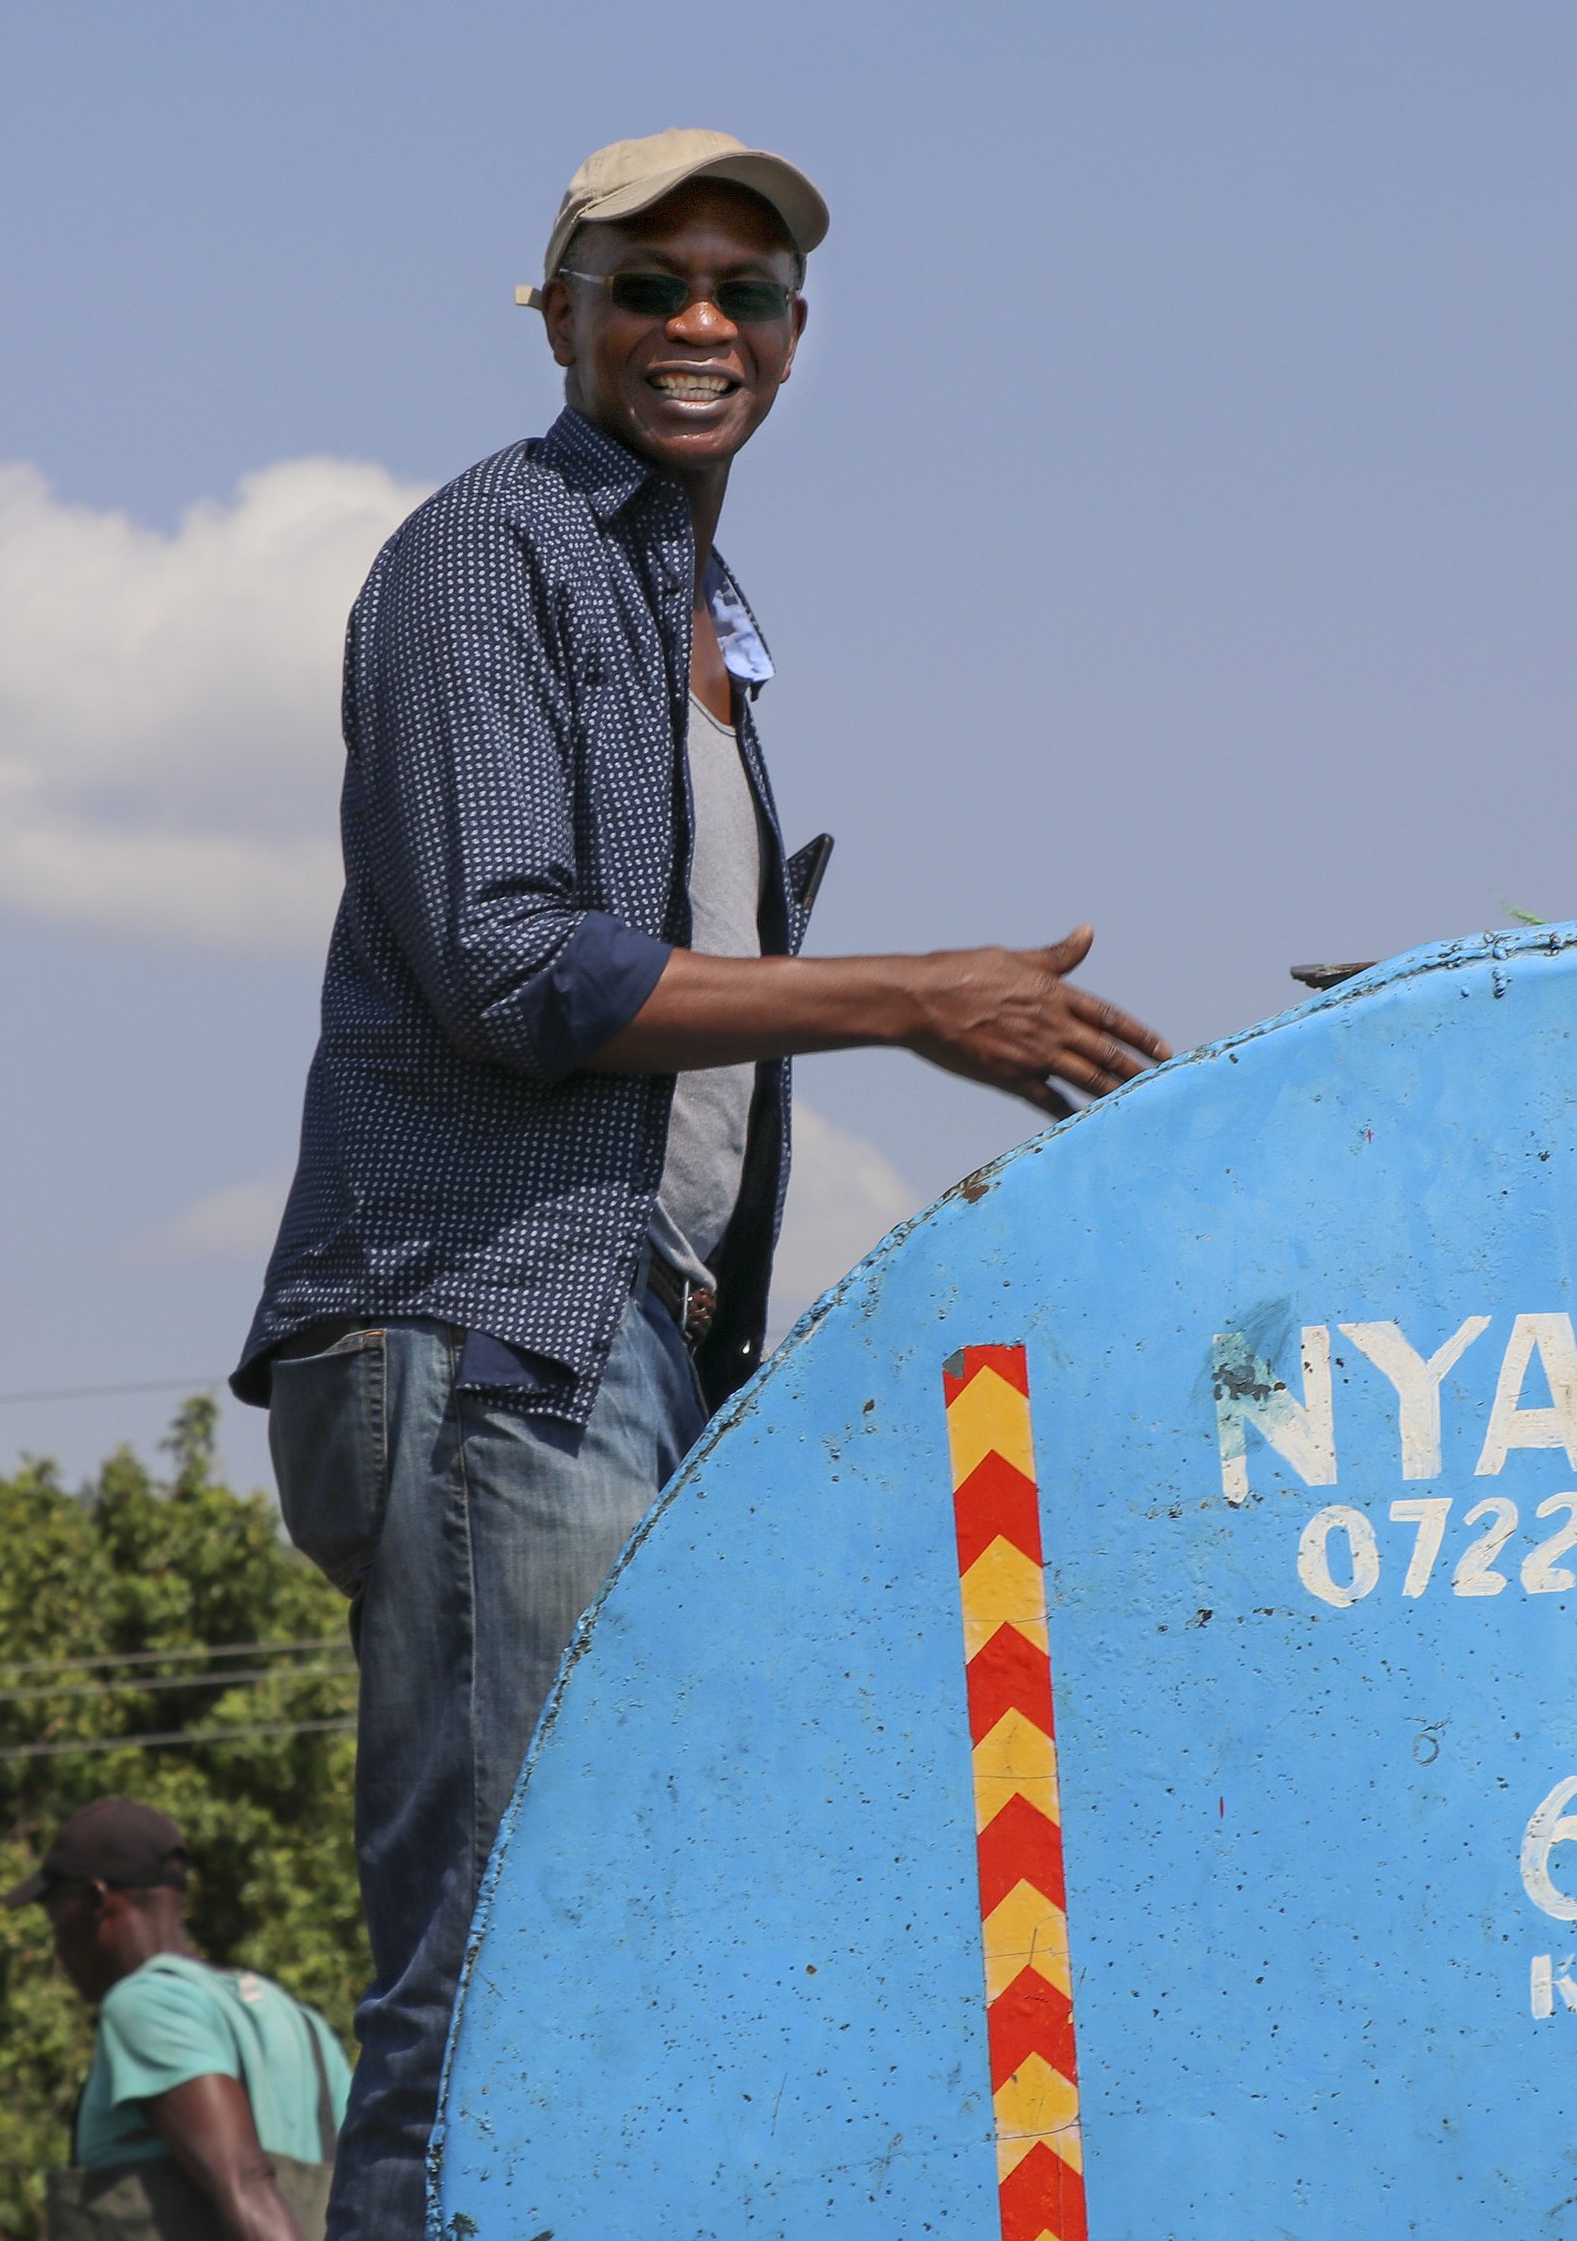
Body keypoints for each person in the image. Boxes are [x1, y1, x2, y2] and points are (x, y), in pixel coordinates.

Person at [237, 128, 1170, 2241]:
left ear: (796, 336)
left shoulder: (690, 609)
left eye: (744, 292)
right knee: (495, 1967)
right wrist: (913, 996)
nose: (698, 326)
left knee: (611, 1939)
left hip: (616, 1334)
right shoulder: (494, 554)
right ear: (556, 315)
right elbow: (503, 959)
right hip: (499, 1323)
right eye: (649, 283)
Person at [13, 1797, 353, 2241]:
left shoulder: (144, 2004)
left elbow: (246, 2183)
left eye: (58, 1919)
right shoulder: (298, 2020)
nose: (58, 1949)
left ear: (97, 1900)